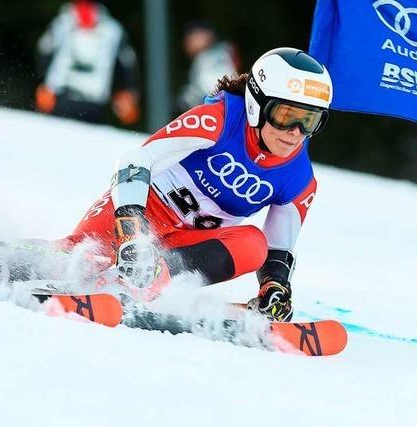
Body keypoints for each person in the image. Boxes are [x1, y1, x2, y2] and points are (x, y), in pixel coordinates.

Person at [57, 47, 333, 321]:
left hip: (188, 245)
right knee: (76, 259)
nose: (295, 132)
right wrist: (132, 231)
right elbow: (137, 159)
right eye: (285, 116)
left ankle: (149, 282)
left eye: (309, 120)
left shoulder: (299, 179)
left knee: (254, 245)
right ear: (256, 105)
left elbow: (278, 250)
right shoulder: (220, 119)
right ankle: (28, 259)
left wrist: (275, 288)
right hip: (146, 212)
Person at [35, 0, 140, 125]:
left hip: (95, 103)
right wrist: (44, 85)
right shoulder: (61, 24)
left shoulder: (113, 31)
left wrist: (128, 93)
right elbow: (45, 52)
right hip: (60, 98)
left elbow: (127, 64)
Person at [177, 21, 239, 113]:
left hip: (220, 104)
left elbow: (210, 87)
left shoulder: (216, 54)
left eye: (194, 36)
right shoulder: (205, 57)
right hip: (221, 103)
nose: (188, 41)